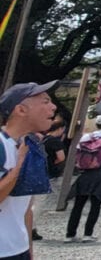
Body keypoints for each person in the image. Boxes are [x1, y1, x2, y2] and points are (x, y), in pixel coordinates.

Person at [0, 81, 58, 260]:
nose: (53, 107)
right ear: (21, 110)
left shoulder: (30, 145)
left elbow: (26, 209)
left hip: (19, 248)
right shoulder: (3, 145)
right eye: (45, 101)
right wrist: (20, 165)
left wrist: (29, 250)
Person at [65, 114, 101, 243]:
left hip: (85, 172)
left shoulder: (86, 137)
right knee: (95, 205)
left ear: (96, 124)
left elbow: (78, 154)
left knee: (78, 205)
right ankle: (87, 234)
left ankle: (70, 234)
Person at [30, 117, 66, 241]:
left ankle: (31, 227)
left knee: (31, 202)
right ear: (60, 129)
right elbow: (61, 157)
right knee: (39, 202)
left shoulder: (43, 139)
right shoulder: (56, 142)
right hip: (47, 174)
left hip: (35, 173)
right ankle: (30, 227)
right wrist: (54, 164)